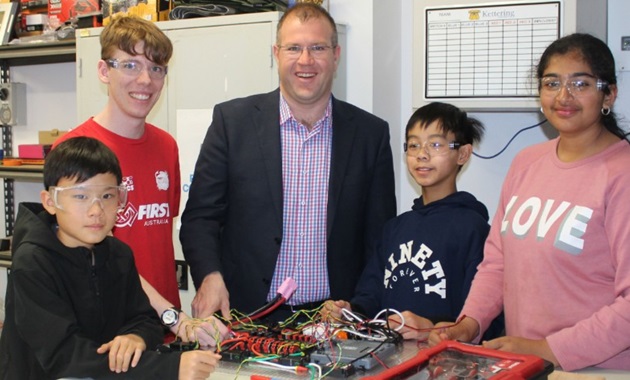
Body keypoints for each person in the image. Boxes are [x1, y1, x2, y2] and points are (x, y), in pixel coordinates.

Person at [180, 3, 397, 322]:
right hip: (246, 316)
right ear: (276, 53)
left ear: (336, 55)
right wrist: (210, 277)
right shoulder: (232, 123)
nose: (305, 60)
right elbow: (200, 218)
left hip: (333, 322)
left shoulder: (370, 135)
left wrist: (360, 306)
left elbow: (379, 239)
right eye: (294, 47)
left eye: (318, 48)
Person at [428, 33, 630, 371]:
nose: (564, 96)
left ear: (608, 93)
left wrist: (548, 348)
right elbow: (497, 264)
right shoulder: (526, 162)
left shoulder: (621, 174)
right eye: (552, 83)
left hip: (597, 369)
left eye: (580, 83)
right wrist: (470, 323)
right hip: (525, 363)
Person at [53, 15, 227, 345]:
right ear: (104, 71)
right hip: (111, 337)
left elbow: (158, 234)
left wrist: (177, 317)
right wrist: (174, 318)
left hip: (164, 334)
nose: (145, 79)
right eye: (130, 65)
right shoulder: (76, 152)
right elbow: (94, 255)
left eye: (157, 68)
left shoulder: (166, 146)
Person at [0, 137, 222, 379]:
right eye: (80, 196)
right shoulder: (33, 264)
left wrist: (134, 337)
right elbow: (65, 356)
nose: (96, 210)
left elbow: (146, 319)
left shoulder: (118, 254)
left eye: (107, 196)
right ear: (50, 202)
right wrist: (169, 368)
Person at [323, 102, 503, 341]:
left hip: (445, 362)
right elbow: (370, 295)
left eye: (436, 144)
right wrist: (349, 312)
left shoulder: (473, 229)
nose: (422, 154)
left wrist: (429, 326)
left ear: (463, 154)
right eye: (414, 145)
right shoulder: (394, 228)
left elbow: (484, 318)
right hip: (388, 356)